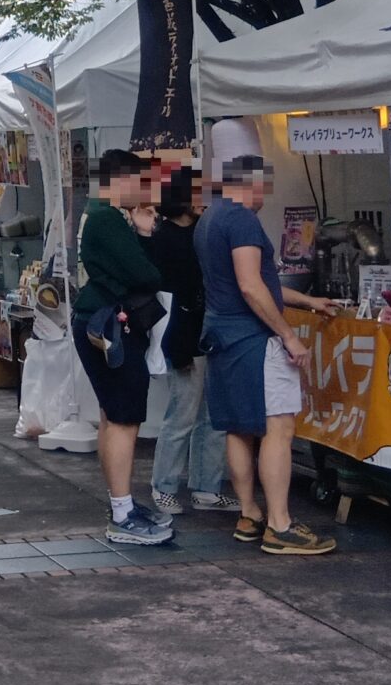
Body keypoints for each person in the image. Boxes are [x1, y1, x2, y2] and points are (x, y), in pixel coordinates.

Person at [198, 156, 339, 556]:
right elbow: (250, 286)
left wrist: (307, 300)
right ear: (251, 184)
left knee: (238, 428)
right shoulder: (241, 219)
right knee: (278, 428)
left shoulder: (210, 218)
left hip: (222, 336)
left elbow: (258, 284)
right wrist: (289, 336)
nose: (266, 195)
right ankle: (280, 525)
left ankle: (250, 515)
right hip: (252, 340)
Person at [71, 149, 175, 547]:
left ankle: (123, 505)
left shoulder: (104, 217)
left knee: (113, 416)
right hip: (111, 324)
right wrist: (146, 235)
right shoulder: (108, 219)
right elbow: (146, 274)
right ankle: (122, 513)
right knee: (124, 418)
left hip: (99, 321)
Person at [147, 167, 234, 516]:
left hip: (208, 333)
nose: (204, 199)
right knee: (182, 415)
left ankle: (206, 487)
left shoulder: (201, 231)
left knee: (213, 417)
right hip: (182, 335)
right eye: (198, 192)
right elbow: (168, 295)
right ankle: (164, 486)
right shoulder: (164, 238)